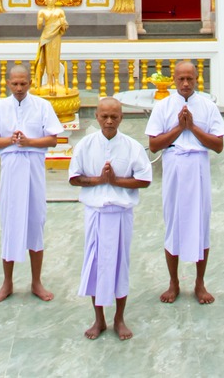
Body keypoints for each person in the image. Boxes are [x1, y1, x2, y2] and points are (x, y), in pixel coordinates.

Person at [68, 95, 149, 341]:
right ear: (96, 116)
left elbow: (144, 179)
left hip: (121, 213)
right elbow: (74, 177)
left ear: (122, 117)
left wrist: (116, 181)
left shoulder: (132, 146)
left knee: (119, 265)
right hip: (95, 213)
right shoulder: (86, 145)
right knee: (95, 266)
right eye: (104, 116)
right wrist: (99, 181)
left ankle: (119, 318)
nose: (109, 121)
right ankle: (99, 319)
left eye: (114, 116)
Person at [145, 58, 224, 304]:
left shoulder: (207, 106)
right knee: (174, 222)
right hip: (174, 165)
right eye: (181, 78)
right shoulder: (163, 106)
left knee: (201, 222)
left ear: (197, 79)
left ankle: (200, 282)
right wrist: (179, 129)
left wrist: (192, 127)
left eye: (190, 78)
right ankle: (174, 282)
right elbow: (153, 145)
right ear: (174, 80)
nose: (185, 83)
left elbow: (219, 146)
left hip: (198, 165)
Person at [0, 63, 60, 303]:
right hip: (11, 169)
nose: (19, 88)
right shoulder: (0, 108)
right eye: (14, 84)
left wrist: (30, 142)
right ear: (8, 83)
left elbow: (53, 139)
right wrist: (10, 140)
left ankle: (36, 281)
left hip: (33, 169)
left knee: (35, 221)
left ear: (30, 83)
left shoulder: (42, 106)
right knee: (10, 222)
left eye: (23, 83)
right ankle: (7, 282)